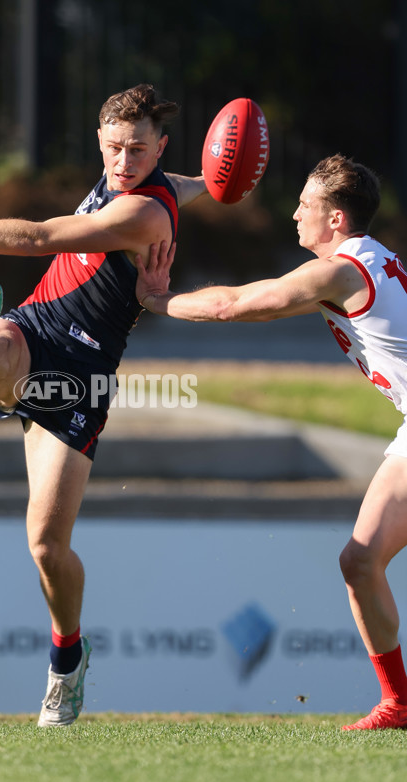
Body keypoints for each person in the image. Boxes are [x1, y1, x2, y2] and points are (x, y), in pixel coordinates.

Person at [0, 84, 207, 726]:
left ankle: (67, 659)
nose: (123, 162)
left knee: (46, 546)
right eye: (112, 148)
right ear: (101, 143)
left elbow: (42, 233)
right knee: (1, 350)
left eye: (137, 149)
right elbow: (191, 183)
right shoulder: (152, 181)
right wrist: (217, 180)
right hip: (38, 323)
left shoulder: (144, 215)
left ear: (157, 147)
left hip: (85, 374)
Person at [135, 153, 407, 730]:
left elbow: (239, 305)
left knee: (361, 561)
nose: (293, 214)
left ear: (336, 219)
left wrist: (158, 302)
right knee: (361, 562)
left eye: (306, 205)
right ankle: (399, 703)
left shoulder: (342, 270)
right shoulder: (372, 261)